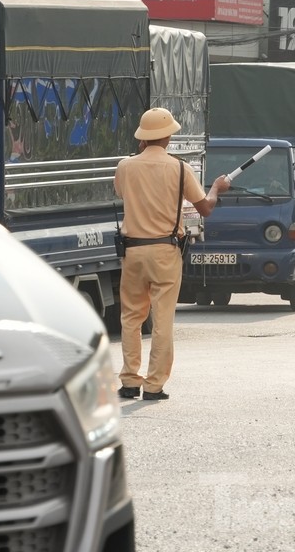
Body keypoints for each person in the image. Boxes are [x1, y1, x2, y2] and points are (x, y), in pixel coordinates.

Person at [113, 107, 230, 401]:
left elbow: (121, 193)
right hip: (165, 250)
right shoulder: (180, 169)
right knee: (162, 319)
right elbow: (205, 208)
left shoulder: (125, 166)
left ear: (143, 138)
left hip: (133, 251)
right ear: (167, 138)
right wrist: (216, 187)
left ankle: (129, 381)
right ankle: (153, 386)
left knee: (131, 317)